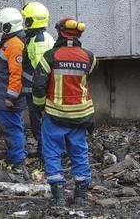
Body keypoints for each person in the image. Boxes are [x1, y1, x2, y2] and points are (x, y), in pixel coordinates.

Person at [32, 18, 96, 207]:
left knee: (52, 153)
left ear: (59, 33)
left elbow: (38, 85)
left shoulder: (50, 56)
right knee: (79, 153)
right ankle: (81, 196)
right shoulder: (90, 57)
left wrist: (39, 107)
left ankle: (59, 196)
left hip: (55, 116)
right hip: (81, 116)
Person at [0, 6, 28, 174]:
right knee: (11, 127)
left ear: (8, 26)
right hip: (4, 95)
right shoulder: (11, 41)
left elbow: (16, 73)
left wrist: (11, 96)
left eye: (1, 24)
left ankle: (17, 163)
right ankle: (14, 158)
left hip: (8, 98)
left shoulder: (15, 44)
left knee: (12, 128)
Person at [21, 1, 57, 162]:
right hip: (35, 88)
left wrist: (40, 92)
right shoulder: (40, 37)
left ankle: (45, 153)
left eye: (26, 19)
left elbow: (42, 70)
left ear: (31, 21)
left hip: (35, 90)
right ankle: (45, 150)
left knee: (39, 122)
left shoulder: (39, 41)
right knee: (40, 121)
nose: (24, 23)